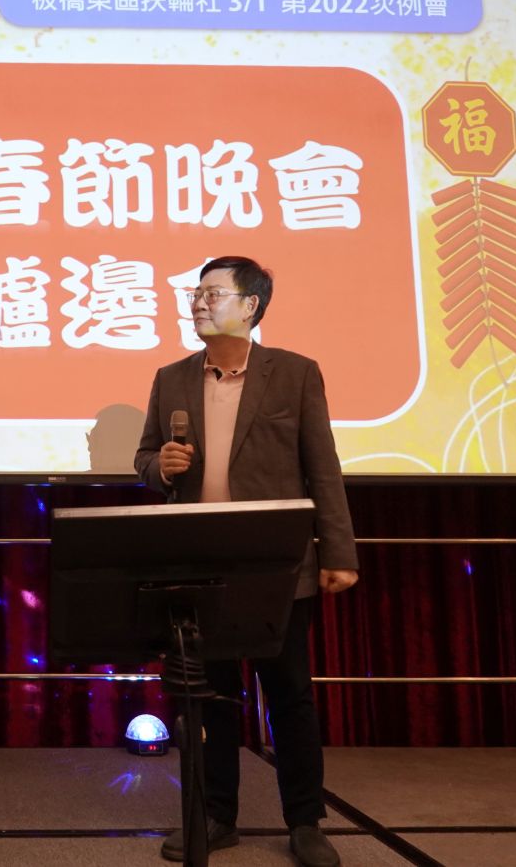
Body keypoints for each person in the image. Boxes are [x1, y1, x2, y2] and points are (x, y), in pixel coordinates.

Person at [134, 256, 358, 867]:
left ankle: (305, 821)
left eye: (212, 294)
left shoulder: (295, 373)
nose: (198, 303)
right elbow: (145, 457)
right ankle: (216, 815)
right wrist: (160, 467)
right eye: (196, 293)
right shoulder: (171, 377)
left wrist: (338, 551)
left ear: (251, 306)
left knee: (289, 695)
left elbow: (323, 466)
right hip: (199, 561)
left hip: (275, 562)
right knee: (208, 697)